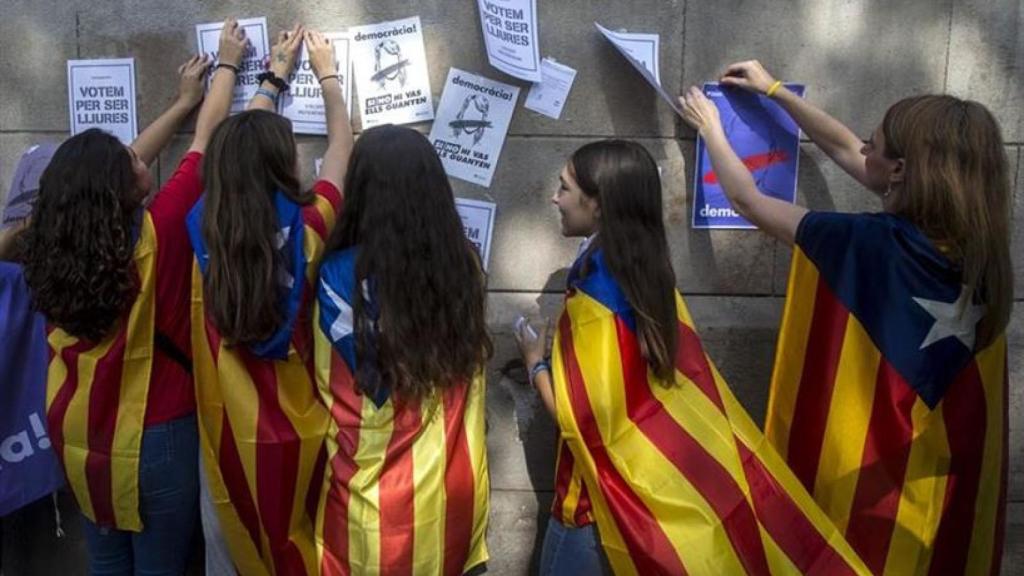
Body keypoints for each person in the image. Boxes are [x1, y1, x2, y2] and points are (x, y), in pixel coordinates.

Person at [679, 62, 1012, 575]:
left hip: (867, 501)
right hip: (933, 486)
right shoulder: (982, 254)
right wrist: (775, 93)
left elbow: (748, 199)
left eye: (874, 145)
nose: (864, 149)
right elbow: (844, 148)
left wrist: (711, 128)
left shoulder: (868, 246)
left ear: (900, 170)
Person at [514, 140, 867, 575]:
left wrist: (536, 363)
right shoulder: (648, 271)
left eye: (565, 188)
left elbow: (578, 421)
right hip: (649, 496)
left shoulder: (594, 294)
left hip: (594, 504)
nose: (555, 197)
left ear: (599, 204)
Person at [19, 25, 240, 574]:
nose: (143, 158)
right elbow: (205, 141)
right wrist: (230, 66)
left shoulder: (48, 243)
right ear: (124, 188)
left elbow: (98, 181)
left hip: (77, 429)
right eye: (132, 160)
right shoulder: (158, 233)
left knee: (107, 563)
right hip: (157, 437)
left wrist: (181, 98)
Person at [186, 27, 354, 576]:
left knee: (232, 550)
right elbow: (341, 148)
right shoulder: (310, 226)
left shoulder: (200, 231)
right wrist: (326, 73)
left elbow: (236, 149)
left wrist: (270, 80)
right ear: (284, 165)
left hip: (227, 441)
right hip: (302, 433)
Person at [313, 125, 491, 575]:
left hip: (370, 508)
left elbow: (362, 384)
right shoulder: (465, 265)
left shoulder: (338, 276)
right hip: (454, 497)